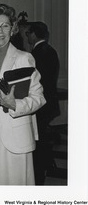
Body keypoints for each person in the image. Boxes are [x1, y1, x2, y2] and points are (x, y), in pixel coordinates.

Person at [0, 4, 46, 185]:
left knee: (15, 184)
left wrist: (15, 104)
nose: (0, 31)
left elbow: (38, 98)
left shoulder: (23, 58)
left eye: (5, 26)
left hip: (15, 126)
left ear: (13, 29)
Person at [26, 21, 60, 185]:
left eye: (27, 34)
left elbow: (36, 83)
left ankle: (39, 176)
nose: (27, 37)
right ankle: (46, 166)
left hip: (41, 105)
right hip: (48, 103)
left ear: (33, 34)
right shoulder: (49, 50)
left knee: (38, 141)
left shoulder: (37, 53)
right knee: (43, 139)